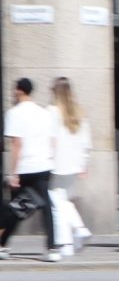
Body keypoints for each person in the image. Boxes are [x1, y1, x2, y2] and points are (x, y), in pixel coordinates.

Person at [4, 77, 60, 261]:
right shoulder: (44, 113)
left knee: (17, 208)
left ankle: (3, 244)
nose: (13, 93)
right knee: (46, 208)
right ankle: (52, 249)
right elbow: (52, 140)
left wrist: (14, 173)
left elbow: (16, 144)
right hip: (44, 166)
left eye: (15, 90)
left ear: (19, 91)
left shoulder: (14, 113)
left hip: (26, 167)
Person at [48, 77, 92, 257]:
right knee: (63, 200)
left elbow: (50, 139)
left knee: (56, 202)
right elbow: (86, 142)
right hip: (74, 164)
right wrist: (84, 163)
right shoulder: (79, 113)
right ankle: (75, 235)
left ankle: (68, 238)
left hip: (56, 163)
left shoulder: (51, 112)